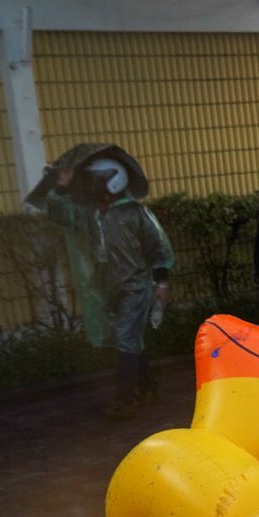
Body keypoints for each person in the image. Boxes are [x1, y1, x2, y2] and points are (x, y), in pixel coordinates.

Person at [45, 154, 174, 417]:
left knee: (127, 339)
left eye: (97, 181)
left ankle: (125, 401)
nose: (92, 187)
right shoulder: (92, 216)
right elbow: (59, 212)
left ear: (114, 183)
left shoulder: (135, 213)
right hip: (110, 289)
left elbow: (158, 248)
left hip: (136, 288)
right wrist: (61, 184)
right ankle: (149, 388)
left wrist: (161, 283)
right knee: (129, 340)